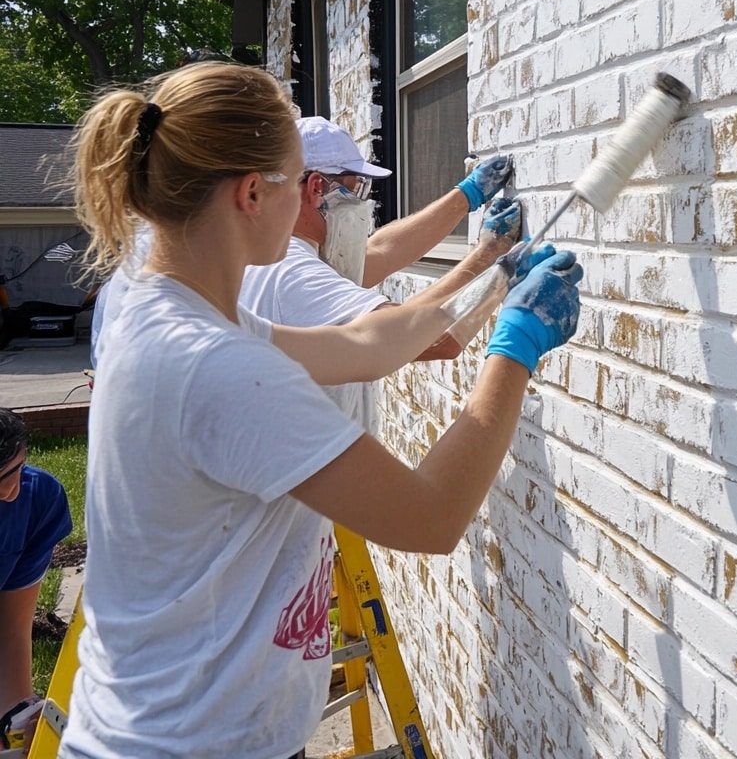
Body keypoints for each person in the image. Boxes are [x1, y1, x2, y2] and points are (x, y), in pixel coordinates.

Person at [60, 61, 582, 759]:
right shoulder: (219, 367)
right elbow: (430, 517)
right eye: (297, 178)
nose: (317, 202)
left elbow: (364, 343)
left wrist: (494, 280)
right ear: (253, 192)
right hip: (193, 743)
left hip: (164, 725)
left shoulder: (173, 313)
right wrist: (516, 347)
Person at [239, 116, 521, 426]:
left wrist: (465, 196)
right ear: (317, 188)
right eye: (357, 188)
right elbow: (433, 338)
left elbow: (382, 252)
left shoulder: (269, 258)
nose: (363, 203)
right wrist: (492, 257)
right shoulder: (294, 274)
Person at [0, 408, 73, 754]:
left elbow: (11, 630)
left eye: (16, 471)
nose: (10, 492)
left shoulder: (36, 501)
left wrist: (14, 722)